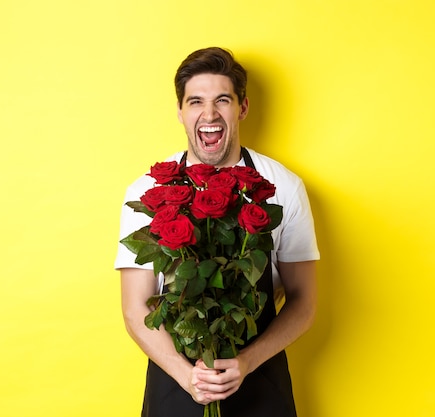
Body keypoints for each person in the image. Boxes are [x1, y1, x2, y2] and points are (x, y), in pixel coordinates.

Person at [115, 47, 320, 417]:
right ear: (181, 112)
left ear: (242, 108)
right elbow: (135, 307)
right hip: (174, 377)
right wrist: (188, 376)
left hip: (260, 375)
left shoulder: (284, 188)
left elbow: (304, 301)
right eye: (196, 101)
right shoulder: (146, 193)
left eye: (222, 100)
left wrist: (246, 361)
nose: (209, 114)